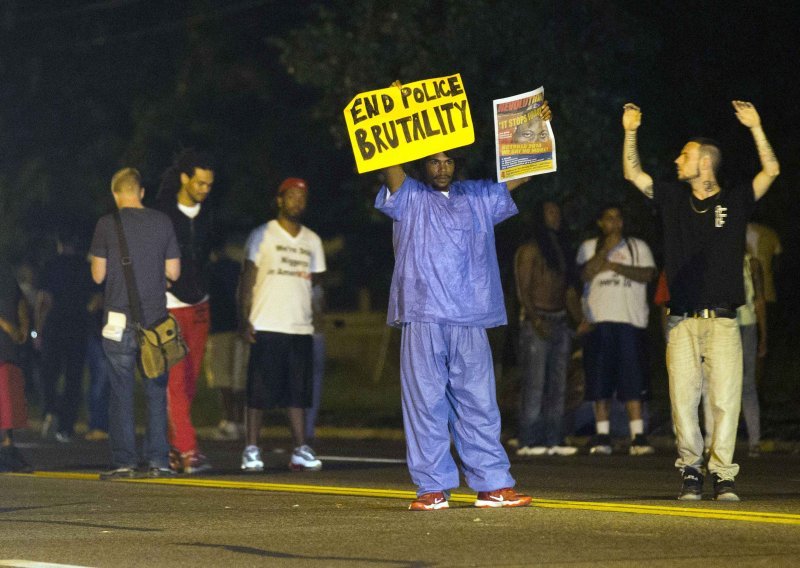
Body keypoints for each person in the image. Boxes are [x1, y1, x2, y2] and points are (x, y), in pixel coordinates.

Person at [373, 97, 553, 511]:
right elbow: (391, 166)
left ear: (457, 164)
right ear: (423, 166)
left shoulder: (477, 196)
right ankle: (432, 487)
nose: (442, 168)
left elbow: (521, 174)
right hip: (423, 315)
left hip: (470, 316)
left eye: (448, 161)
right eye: (434, 162)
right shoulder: (410, 197)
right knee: (426, 403)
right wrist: (398, 115)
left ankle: (492, 484)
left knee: (479, 403)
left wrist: (537, 128)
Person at [622, 100, 779, 501]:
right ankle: (691, 471)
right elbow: (633, 173)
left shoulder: (736, 200)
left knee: (726, 400)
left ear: (705, 163)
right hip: (681, 321)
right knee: (682, 401)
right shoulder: (674, 198)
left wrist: (757, 127)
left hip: (725, 320)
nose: (677, 160)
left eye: (685, 155)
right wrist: (630, 130)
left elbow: (771, 171)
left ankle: (724, 475)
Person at [90, 167, 181, 479]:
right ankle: (158, 460)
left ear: (116, 195)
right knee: (156, 391)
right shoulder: (163, 222)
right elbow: (174, 273)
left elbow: (98, 276)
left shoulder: (106, 224)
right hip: (155, 322)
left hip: (117, 321)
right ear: (141, 192)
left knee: (120, 392)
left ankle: (125, 461)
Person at [238, 177, 326, 473]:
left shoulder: (312, 240)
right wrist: (244, 318)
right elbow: (248, 278)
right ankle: (251, 449)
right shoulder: (263, 234)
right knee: (259, 391)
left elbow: (316, 286)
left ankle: (300, 448)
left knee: (298, 393)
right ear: (279, 200)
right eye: (291, 196)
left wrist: (318, 318)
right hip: (267, 322)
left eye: (302, 197)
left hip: (299, 326)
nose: (297, 202)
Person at [576, 204, 656, 456]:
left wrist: (617, 267)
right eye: (609, 218)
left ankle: (638, 436)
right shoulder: (589, 246)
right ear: (601, 223)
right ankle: (602, 435)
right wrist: (606, 251)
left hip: (629, 323)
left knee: (632, 381)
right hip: (599, 323)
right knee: (600, 381)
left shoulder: (638, 246)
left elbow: (648, 274)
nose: (614, 222)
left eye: (618, 218)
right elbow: (585, 274)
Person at [155, 149, 215, 474]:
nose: (205, 190)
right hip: (172, 307)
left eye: (209, 185)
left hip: (200, 305)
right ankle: (189, 450)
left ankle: (172, 448)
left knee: (190, 381)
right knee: (175, 381)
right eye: (200, 183)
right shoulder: (163, 214)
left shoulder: (208, 215)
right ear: (184, 179)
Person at [514, 200, 582, 457]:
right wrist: (534, 319)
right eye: (550, 211)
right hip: (538, 320)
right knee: (535, 383)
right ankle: (529, 439)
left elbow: (567, 290)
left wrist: (579, 319)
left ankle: (554, 438)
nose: (556, 215)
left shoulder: (560, 250)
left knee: (558, 383)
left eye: (557, 211)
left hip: (560, 320)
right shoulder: (531, 249)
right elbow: (523, 288)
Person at [703, 253, 766, 458]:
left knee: (747, 383)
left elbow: (759, 301)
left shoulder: (751, 263)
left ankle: (754, 440)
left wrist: (763, 335)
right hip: (721, 324)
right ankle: (717, 440)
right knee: (718, 382)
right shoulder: (715, 258)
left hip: (746, 325)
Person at [37, 233, 94, 443]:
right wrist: (83, 312)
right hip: (78, 327)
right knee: (73, 378)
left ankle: (50, 409)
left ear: (59, 243)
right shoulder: (86, 267)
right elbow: (97, 297)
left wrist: (37, 330)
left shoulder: (50, 265)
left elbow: (44, 300)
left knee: (49, 373)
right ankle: (66, 426)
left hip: (54, 326)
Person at [204, 236, 248, 441]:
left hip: (219, 328)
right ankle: (240, 421)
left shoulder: (209, 270)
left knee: (223, 378)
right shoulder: (237, 268)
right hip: (240, 327)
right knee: (239, 378)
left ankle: (230, 421)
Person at [0, 261, 33, 473]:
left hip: (6, 346)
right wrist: (21, 328)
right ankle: (7, 444)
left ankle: (7, 445)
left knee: (7, 395)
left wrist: (15, 329)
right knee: (7, 396)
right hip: (9, 347)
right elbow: (22, 304)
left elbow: (21, 304)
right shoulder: (7, 276)